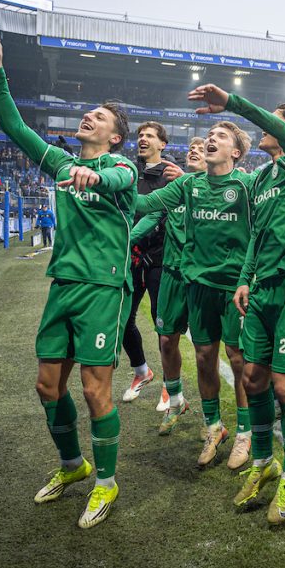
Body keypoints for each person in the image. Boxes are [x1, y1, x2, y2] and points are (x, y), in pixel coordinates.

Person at [0, 26, 135, 529]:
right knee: (48, 386)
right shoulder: (62, 163)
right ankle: (73, 465)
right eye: (88, 113)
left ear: (114, 136)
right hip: (63, 285)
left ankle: (106, 482)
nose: (89, 116)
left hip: (103, 289)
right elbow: (13, 125)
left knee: (95, 390)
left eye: (100, 117)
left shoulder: (122, 169)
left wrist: (96, 175)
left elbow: (117, 178)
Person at [191, 84, 285, 526]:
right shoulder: (263, 179)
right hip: (263, 288)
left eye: (275, 119)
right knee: (252, 377)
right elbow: (256, 236)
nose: (266, 125)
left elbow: (276, 128)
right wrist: (245, 279)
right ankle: (263, 461)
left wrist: (233, 104)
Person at [134, 123, 257, 471]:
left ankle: (245, 432)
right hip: (198, 285)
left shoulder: (247, 185)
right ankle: (214, 427)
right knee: (204, 357)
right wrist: (107, 182)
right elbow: (146, 203)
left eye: (221, 137)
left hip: (234, 289)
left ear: (236, 152)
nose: (211, 139)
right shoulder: (189, 185)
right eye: (210, 135)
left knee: (238, 359)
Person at [120, 122, 174, 407]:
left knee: (161, 323)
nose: (143, 139)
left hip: (159, 258)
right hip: (131, 257)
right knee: (122, 319)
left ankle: (170, 384)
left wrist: (126, 239)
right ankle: (142, 371)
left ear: (162, 144)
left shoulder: (171, 173)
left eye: (149, 136)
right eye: (140, 135)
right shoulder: (129, 172)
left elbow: (157, 213)